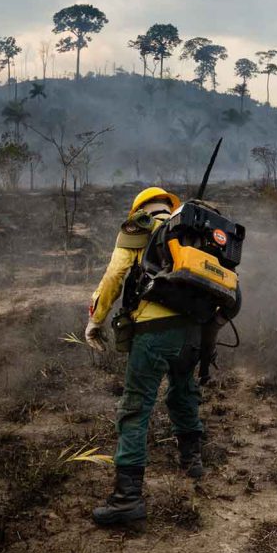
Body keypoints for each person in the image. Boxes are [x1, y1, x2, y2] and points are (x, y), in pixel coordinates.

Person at [85, 187, 206, 527]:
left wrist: (95, 320)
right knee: (183, 391)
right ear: (169, 204)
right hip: (193, 332)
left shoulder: (138, 227)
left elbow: (114, 277)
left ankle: (127, 499)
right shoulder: (192, 229)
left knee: (135, 408)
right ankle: (192, 459)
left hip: (153, 332)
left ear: (139, 208)